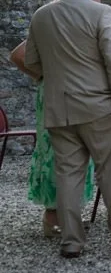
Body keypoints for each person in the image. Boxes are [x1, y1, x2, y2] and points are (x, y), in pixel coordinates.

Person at [23, 0, 111, 258]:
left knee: (67, 176)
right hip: (100, 108)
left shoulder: (42, 15)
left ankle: (71, 241)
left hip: (58, 110)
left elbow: (31, 62)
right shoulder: (101, 13)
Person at [10, 24, 94, 239]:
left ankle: (67, 215)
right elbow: (18, 54)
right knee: (53, 152)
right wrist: (41, 75)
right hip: (57, 96)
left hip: (67, 94)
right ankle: (52, 217)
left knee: (74, 152)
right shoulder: (53, 27)